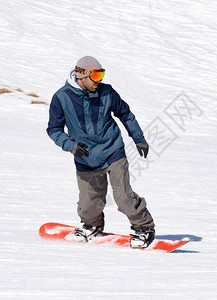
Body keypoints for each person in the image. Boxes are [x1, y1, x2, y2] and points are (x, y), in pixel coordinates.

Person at [46, 56, 155, 248]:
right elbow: (54, 130)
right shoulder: (61, 97)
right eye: (95, 75)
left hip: (113, 151)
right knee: (88, 205)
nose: (99, 81)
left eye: (101, 74)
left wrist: (139, 139)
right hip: (85, 157)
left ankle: (144, 228)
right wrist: (71, 146)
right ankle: (92, 226)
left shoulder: (106, 92)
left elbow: (125, 115)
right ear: (80, 75)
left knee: (123, 197)